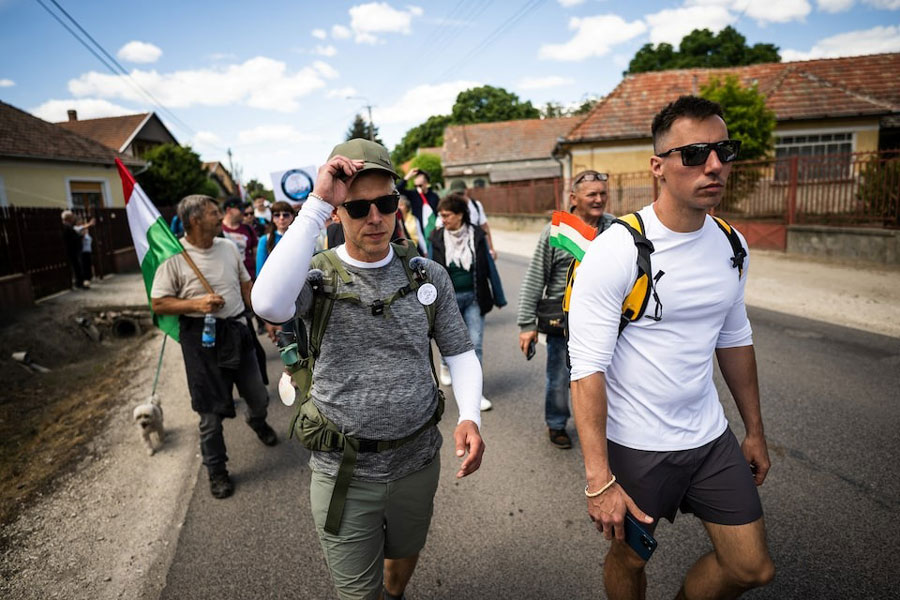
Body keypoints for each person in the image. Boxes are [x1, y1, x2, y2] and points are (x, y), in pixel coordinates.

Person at [251, 138, 485, 600]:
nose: (375, 217)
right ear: (338, 212)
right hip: (343, 471)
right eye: (358, 208)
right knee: (358, 593)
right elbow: (268, 303)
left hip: (417, 460)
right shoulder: (313, 277)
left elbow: (458, 352)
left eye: (386, 203)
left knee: (404, 555)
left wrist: (470, 416)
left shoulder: (426, 274)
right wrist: (316, 203)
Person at [567, 96, 774, 600]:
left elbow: (734, 338)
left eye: (724, 150)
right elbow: (586, 369)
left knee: (752, 568)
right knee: (629, 559)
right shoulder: (617, 249)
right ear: (658, 166)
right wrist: (599, 480)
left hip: (709, 440)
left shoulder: (731, 244)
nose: (715, 165)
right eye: (696, 153)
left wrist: (754, 431)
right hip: (637, 447)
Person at [150, 194, 278, 500]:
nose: (220, 215)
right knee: (209, 414)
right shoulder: (174, 256)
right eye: (213, 212)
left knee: (258, 395)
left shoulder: (228, 247)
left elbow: (246, 285)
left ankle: (256, 420)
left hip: (237, 330)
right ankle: (216, 470)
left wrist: (265, 317)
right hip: (201, 340)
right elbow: (158, 302)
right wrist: (196, 303)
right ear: (194, 220)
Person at [517, 170, 615, 449]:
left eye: (603, 193)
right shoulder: (556, 232)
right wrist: (527, 325)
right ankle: (557, 424)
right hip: (564, 323)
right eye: (592, 194)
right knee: (560, 378)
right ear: (573, 198)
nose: (599, 199)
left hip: (607, 321)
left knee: (607, 378)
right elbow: (535, 278)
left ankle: (606, 426)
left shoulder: (615, 229)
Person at [429, 192, 496, 412]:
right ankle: (445, 365)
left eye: (447, 215)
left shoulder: (476, 234)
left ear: (460, 215)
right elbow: (429, 270)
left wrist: (499, 294)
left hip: (475, 297)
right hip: (448, 301)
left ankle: (474, 396)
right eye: (441, 215)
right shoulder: (436, 237)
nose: (443, 219)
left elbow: (489, 266)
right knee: (450, 346)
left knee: (475, 344)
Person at [397, 167, 439, 245]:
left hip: (433, 231)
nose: (417, 188)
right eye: (415, 186)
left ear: (426, 183)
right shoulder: (413, 194)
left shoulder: (434, 196)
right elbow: (397, 190)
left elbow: (438, 213)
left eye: (420, 185)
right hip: (419, 233)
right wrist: (407, 177)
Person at [221, 197, 258, 279]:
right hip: (229, 278)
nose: (243, 211)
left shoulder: (248, 229)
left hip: (249, 277)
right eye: (240, 208)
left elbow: (255, 254)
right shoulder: (218, 230)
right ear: (229, 210)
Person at [255, 200, 295, 277]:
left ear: (292, 217)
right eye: (277, 215)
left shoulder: (300, 238)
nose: (281, 218)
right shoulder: (265, 240)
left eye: (285, 215)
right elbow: (260, 271)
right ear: (272, 218)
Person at [61, 210, 85, 289]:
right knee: (76, 267)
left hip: (73, 250)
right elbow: (71, 238)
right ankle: (79, 283)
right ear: (68, 218)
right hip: (72, 250)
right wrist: (80, 236)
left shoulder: (69, 226)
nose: (73, 218)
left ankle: (79, 282)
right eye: (71, 217)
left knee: (77, 266)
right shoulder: (66, 226)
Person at [74, 215, 97, 288]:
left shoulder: (85, 229)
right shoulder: (76, 228)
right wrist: (90, 224)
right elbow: (80, 229)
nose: (80, 222)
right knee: (84, 266)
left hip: (88, 251)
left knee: (88, 266)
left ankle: (88, 279)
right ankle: (85, 281)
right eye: (79, 220)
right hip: (83, 251)